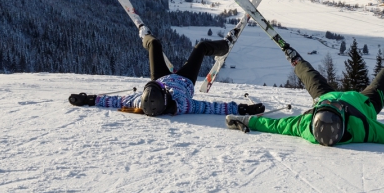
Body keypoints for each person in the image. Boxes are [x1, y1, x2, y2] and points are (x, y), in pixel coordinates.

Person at [225, 53, 384, 149]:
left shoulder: (304, 125)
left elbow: (273, 125)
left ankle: (295, 59)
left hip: (325, 96)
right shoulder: (362, 128)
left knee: (309, 75)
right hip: (365, 101)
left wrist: (243, 118)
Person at [69, 27, 263, 117]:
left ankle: (144, 34)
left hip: (161, 76)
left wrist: (88, 99)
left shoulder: (140, 100)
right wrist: (243, 109)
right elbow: (214, 108)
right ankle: (226, 45)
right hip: (185, 79)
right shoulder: (183, 104)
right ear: (165, 97)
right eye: (161, 89)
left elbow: (113, 101)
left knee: (154, 44)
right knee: (201, 47)